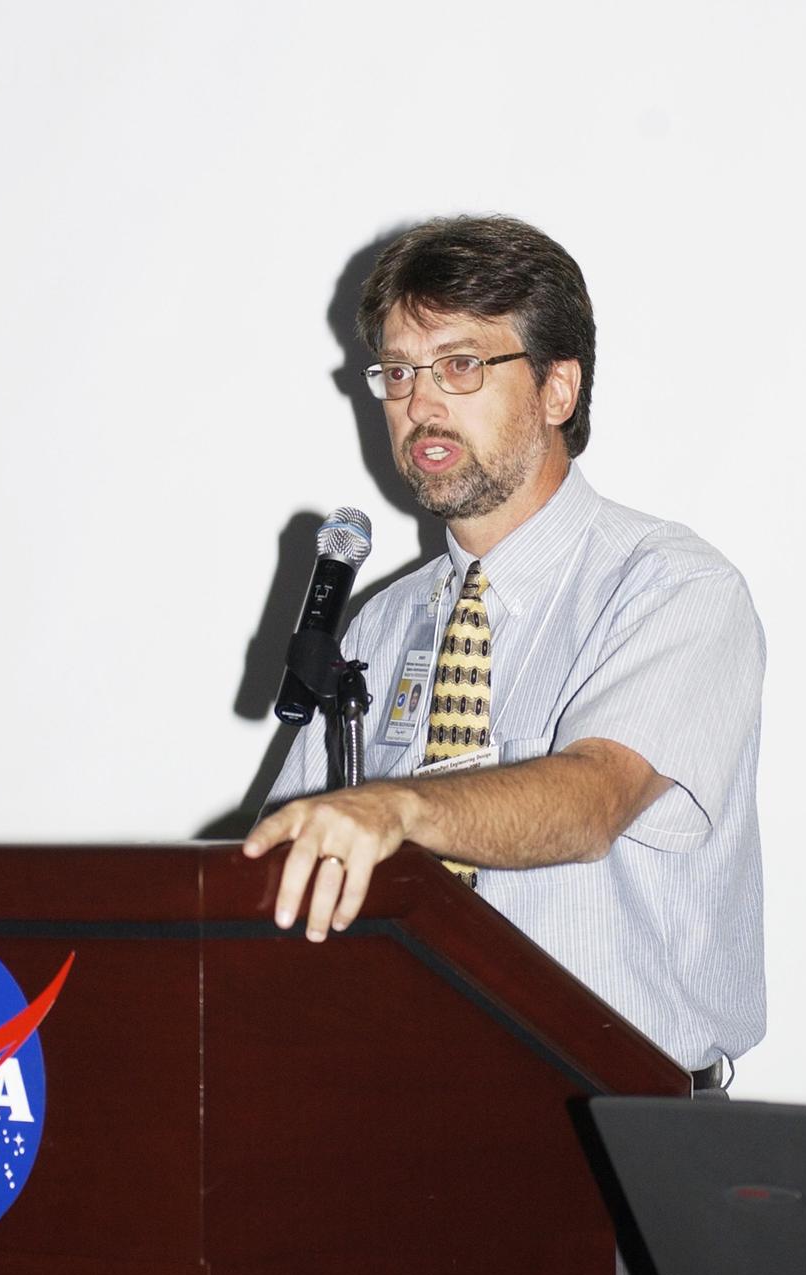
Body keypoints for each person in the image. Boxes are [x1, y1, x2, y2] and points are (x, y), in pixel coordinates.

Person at [244, 215, 765, 1077]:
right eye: (401, 371)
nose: (422, 402)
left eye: (462, 365)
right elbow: (281, 858)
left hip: (616, 1124)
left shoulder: (672, 588)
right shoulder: (381, 622)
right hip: (404, 1105)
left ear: (558, 389)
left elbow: (593, 800)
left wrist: (399, 807)